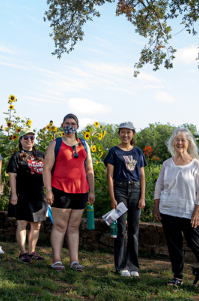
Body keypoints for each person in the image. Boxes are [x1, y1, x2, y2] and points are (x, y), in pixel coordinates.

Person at [154, 127, 199, 290]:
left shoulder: (195, 164)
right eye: (177, 140)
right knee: (174, 246)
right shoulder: (167, 164)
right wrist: (156, 208)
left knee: (198, 247)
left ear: (188, 143)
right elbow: (159, 186)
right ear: (172, 143)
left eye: (183, 140)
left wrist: (196, 212)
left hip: (190, 213)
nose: (180, 143)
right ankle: (177, 276)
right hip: (168, 211)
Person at [43, 113, 95, 271]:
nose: (69, 125)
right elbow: (46, 168)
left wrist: (91, 190)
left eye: (72, 123)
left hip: (81, 191)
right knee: (59, 225)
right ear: (62, 125)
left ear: (78, 127)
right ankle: (57, 260)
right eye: (66, 123)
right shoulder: (56, 143)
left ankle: (74, 260)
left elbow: (89, 168)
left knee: (73, 226)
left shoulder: (84, 144)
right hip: (60, 190)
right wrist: (49, 191)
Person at [104, 121, 147, 277]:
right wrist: (112, 197)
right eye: (123, 132)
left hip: (135, 189)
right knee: (121, 230)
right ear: (119, 133)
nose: (125, 135)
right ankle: (121, 266)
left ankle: (133, 266)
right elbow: (109, 176)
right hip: (120, 188)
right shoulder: (114, 152)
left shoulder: (138, 152)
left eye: (129, 132)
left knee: (134, 230)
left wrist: (142, 196)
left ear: (133, 134)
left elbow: (142, 175)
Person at [8, 128, 47, 263]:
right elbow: (12, 176)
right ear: (20, 140)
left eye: (32, 137)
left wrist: (49, 191)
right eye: (26, 137)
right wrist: (14, 194)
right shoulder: (17, 156)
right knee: (22, 224)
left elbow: (47, 174)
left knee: (36, 225)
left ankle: (32, 252)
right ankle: (22, 253)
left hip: (38, 195)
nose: (29, 140)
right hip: (22, 195)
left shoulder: (41, 155)